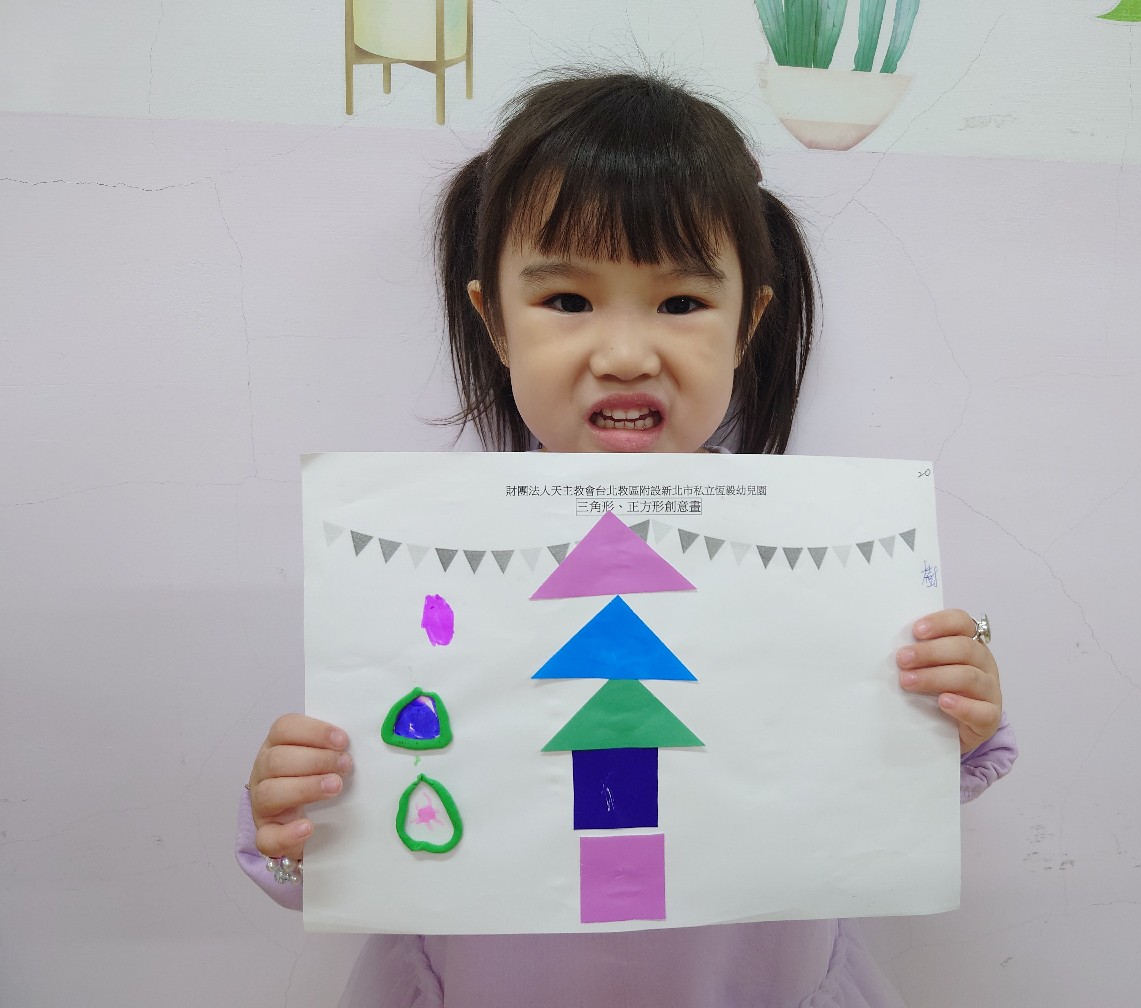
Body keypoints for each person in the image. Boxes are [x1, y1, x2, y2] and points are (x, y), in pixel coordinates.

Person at [239, 70, 1016, 1008]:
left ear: (747, 323)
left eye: (680, 303)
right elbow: (346, 848)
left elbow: (883, 795)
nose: (624, 354)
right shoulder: (424, 565)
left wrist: (954, 712)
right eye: (568, 301)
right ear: (495, 322)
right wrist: (293, 819)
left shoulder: (820, 558)